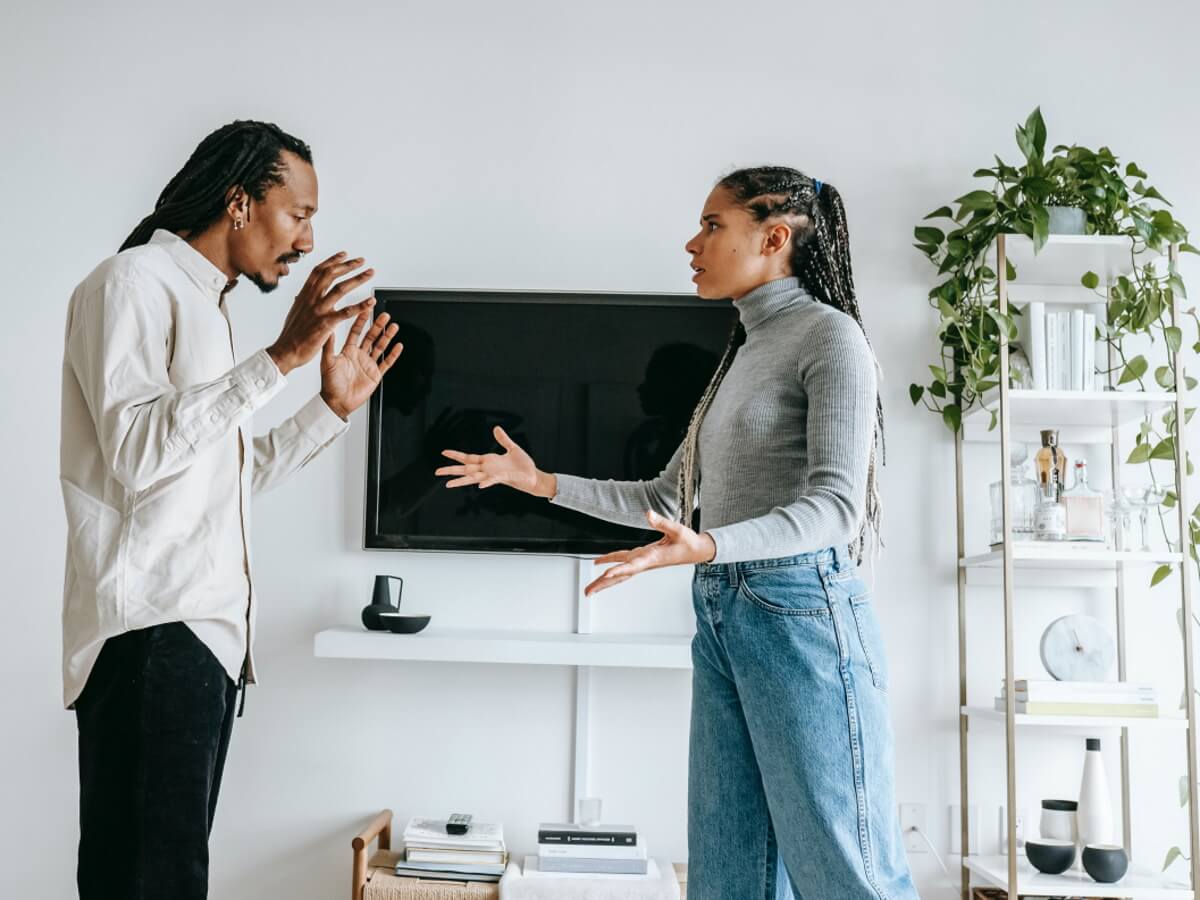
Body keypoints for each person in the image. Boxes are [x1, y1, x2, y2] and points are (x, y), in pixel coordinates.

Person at [437, 166, 917, 899]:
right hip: (725, 616)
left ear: (774, 237)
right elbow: (667, 495)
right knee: (728, 879)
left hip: (803, 619)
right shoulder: (743, 353)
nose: (693, 242)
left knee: (845, 875)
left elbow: (835, 510)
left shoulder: (831, 338)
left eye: (713, 225)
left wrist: (713, 546)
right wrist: (539, 482)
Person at [60, 120, 402, 900]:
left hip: (199, 644)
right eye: (299, 213)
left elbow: (221, 480)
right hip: (152, 635)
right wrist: (280, 356)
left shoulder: (206, 309)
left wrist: (330, 408)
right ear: (241, 202)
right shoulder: (132, 284)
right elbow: (138, 452)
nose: (308, 240)